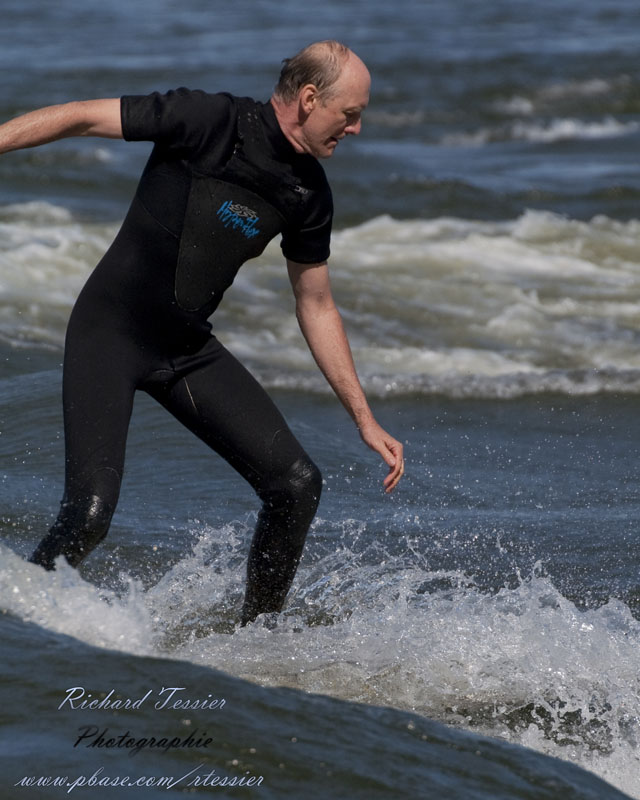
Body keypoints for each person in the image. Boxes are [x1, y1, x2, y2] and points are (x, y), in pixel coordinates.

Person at [0, 40, 404, 625]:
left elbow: (315, 303)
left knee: (296, 486)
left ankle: (253, 643)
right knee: (89, 516)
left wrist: (364, 418)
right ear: (310, 98)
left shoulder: (309, 193)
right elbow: (83, 116)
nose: (358, 127)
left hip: (184, 350)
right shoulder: (209, 120)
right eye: (350, 114)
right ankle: (16, 623)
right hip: (107, 336)